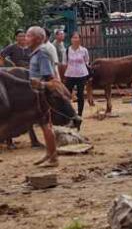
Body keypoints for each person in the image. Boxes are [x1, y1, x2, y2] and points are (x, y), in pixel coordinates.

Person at [26, 26, 59, 168]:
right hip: (36, 95)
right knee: (44, 125)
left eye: (28, 36)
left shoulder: (42, 54)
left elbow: (51, 80)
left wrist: (40, 84)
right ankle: (50, 153)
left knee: (46, 126)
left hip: (42, 96)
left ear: (38, 39)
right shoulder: (35, 54)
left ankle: (53, 159)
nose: (26, 38)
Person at [64, 32, 90, 116]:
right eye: (73, 38)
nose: (75, 39)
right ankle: (68, 113)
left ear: (80, 39)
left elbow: (87, 61)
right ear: (71, 39)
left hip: (81, 75)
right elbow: (64, 62)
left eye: (77, 38)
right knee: (67, 94)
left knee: (80, 95)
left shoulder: (84, 50)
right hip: (70, 74)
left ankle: (80, 114)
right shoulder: (67, 50)